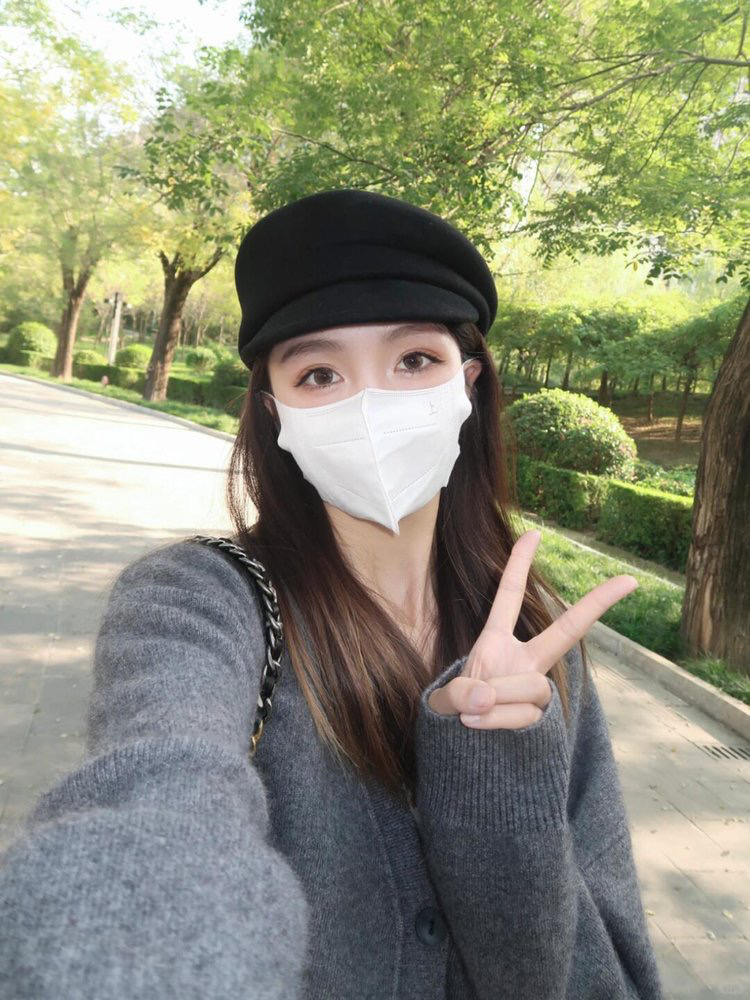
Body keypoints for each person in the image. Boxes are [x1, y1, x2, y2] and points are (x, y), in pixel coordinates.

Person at [0, 189, 664, 999]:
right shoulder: (194, 604)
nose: (371, 405)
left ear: (469, 385)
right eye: (320, 373)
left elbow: (579, 970)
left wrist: (498, 764)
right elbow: (163, 789)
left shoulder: (539, 635)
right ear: (275, 412)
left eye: (414, 360)